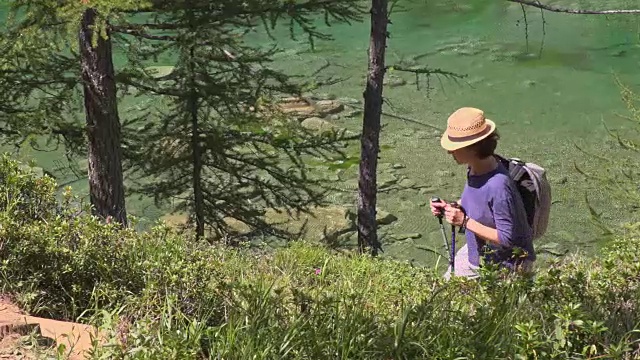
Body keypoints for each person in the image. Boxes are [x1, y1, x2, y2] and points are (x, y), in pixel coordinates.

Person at [430, 107, 535, 279]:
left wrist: (464, 221)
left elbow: (507, 238)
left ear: (472, 148)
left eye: (455, 147)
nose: (450, 152)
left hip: (506, 267)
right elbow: (477, 201)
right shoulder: (476, 168)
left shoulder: (499, 186)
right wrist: (450, 207)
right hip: (481, 257)